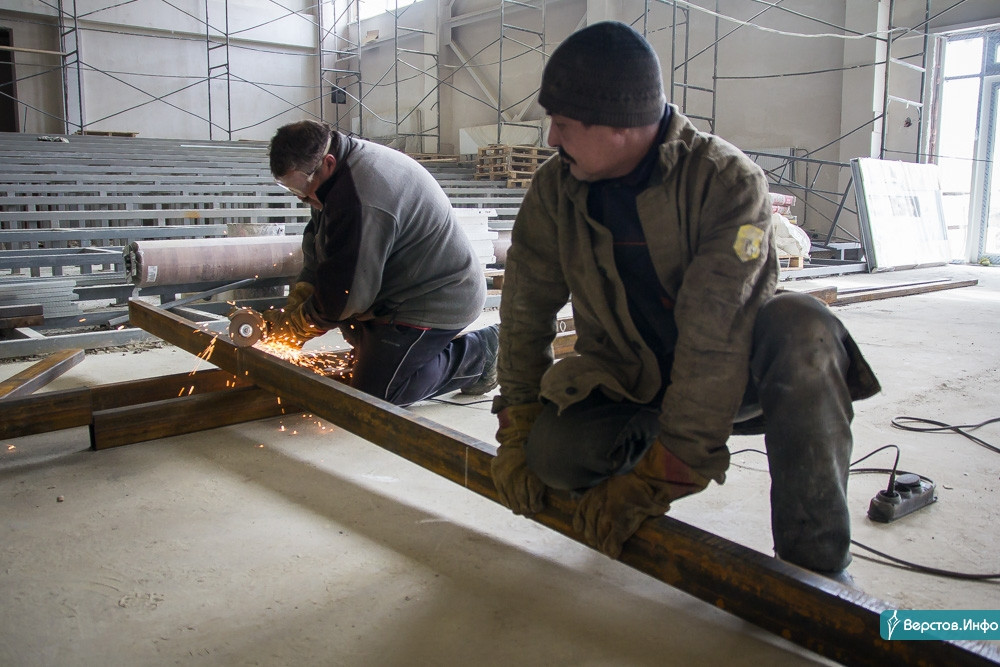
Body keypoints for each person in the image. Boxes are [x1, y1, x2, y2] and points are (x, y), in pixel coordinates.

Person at [489, 21, 881, 583]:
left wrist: (663, 475)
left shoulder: (727, 181)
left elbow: (714, 335)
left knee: (804, 329)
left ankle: (817, 569)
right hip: (629, 381)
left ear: (621, 127)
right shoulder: (557, 189)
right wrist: (519, 422)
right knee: (551, 457)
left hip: (736, 380)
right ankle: (644, 445)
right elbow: (524, 310)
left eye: (563, 125)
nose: (551, 139)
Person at [265, 120, 499, 406]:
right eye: (294, 192)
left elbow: (345, 296)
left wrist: (296, 327)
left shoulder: (359, 196)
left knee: (377, 396)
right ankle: (391, 353)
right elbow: (320, 252)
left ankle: (480, 354)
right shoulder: (330, 178)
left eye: (303, 188)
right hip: (395, 286)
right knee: (356, 344)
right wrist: (298, 301)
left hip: (437, 296)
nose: (303, 198)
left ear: (327, 163)